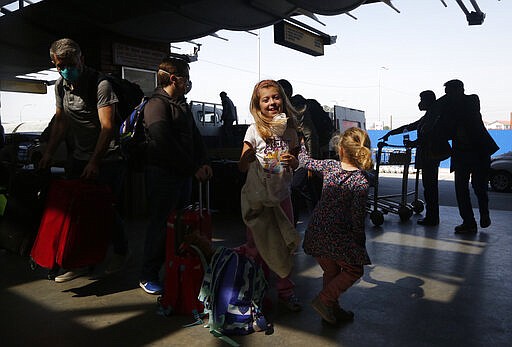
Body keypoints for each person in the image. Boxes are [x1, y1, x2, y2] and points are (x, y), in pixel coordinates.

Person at [39, 38, 129, 282]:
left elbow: (108, 127)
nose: (65, 70)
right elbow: (61, 122)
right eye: (60, 66)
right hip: (79, 157)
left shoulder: (101, 86)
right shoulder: (60, 86)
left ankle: (120, 251)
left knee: (104, 209)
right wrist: (49, 151)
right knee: (77, 210)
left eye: (69, 64)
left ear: (81, 59)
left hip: (108, 158)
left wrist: (94, 162)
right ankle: (80, 261)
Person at [139, 57, 212, 295]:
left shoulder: (180, 103)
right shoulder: (156, 105)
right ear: (174, 79)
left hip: (182, 176)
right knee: (161, 225)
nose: (188, 83)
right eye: (186, 78)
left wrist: (203, 161)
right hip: (163, 176)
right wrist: (193, 168)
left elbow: (194, 136)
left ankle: (176, 266)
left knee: (180, 225)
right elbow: (163, 143)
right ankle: (148, 274)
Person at [238, 79, 302, 311]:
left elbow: (295, 164)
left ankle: (286, 290)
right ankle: (257, 290)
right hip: (259, 198)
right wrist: (249, 156)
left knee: (284, 244)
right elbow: (242, 167)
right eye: (266, 99)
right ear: (258, 104)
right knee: (257, 245)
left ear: (282, 100)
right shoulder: (253, 131)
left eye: (275, 97)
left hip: (282, 195)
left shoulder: (292, 132)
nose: (271, 102)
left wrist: (293, 161)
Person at [299, 127, 373, 325]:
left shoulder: (330, 166)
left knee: (331, 272)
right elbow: (357, 218)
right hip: (338, 236)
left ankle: (329, 311)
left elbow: (304, 161)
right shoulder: (360, 181)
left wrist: (302, 145)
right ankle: (325, 301)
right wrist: (359, 244)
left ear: (340, 149)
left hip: (316, 231)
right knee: (354, 270)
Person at [437, 79, 499, 234]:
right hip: (462, 154)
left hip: (478, 153)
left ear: (459, 90)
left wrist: (445, 102)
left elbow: (464, 113)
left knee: (480, 187)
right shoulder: (450, 108)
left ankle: (484, 214)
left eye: (449, 93)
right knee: (461, 190)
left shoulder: (471, 100)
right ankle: (468, 221)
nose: (447, 97)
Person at [380, 90, 450, 226]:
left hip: (430, 157)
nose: (419, 103)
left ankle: (432, 217)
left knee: (430, 188)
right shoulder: (427, 117)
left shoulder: (433, 117)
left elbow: (428, 136)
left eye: (421, 99)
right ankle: (432, 216)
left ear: (428, 101)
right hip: (428, 157)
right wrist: (391, 133)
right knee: (429, 187)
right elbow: (409, 127)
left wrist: (413, 143)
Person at [277, 79, 320, 226]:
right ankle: (297, 223)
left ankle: (315, 223)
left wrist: (312, 163)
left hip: (304, 157)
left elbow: (310, 134)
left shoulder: (297, 108)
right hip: (294, 155)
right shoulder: (282, 108)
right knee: (302, 189)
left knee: (296, 187)